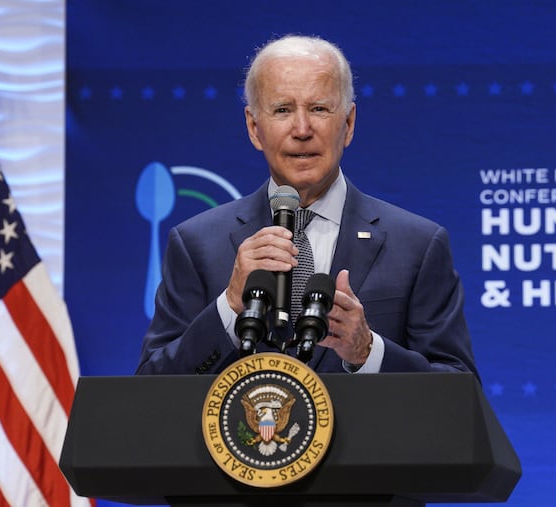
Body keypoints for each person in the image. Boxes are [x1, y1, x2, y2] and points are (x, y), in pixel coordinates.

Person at [135, 35, 478, 377]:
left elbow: (460, 391)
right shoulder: (196, 245)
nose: (302, 129)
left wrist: (367, 351)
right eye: (282, 110)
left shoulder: (417, 245)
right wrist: (230, 305)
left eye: (319, 109)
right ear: (255, 128)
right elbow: (150, 389)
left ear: (348, 124)